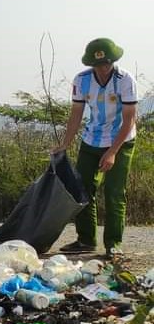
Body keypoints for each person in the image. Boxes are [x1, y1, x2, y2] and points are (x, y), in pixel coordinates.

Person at [55, 38, 138, 259]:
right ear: (91, 64)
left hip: (121, 139)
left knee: (113, 192)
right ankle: (85, 240)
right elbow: (76, 114)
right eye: (99, 65)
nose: (103, 69)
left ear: (113, 62)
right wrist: (65, 143)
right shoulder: (81, 81)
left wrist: (112, 152)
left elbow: (129, 119)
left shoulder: (125, 80)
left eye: (107, 64)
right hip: (92, 139)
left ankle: (113, 243)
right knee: (82, 189)